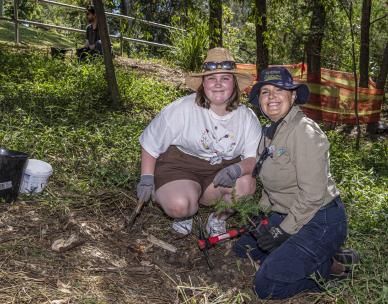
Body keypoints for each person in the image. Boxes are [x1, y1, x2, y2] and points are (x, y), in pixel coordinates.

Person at [234, 67, 358, 299]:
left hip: (320, 219)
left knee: (267, 285)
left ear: (292, 96)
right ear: (259, 100)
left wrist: (282, 232)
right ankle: (312, 254)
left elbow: (312, 195)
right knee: (244, 249)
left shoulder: (304, 132)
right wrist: (261, 213)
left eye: (280, 90)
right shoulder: (270, 131)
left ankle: (331, 267)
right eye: (265, 92)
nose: (272, 97)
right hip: (287, 211)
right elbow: (270, 180)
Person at [137, 48, 261, 236]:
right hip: (181, 167)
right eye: (211, 78)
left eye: (225, 78)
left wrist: (237, 169)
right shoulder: (182, 108)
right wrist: (146, 178)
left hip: (221, 173)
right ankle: (184, 214)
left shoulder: (247, 117)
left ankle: (218, 219)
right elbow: (150, 143)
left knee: (246, 185)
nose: (218, 84)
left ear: (234, 84)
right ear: (203, 83)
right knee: (179, 205)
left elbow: (253, 159)